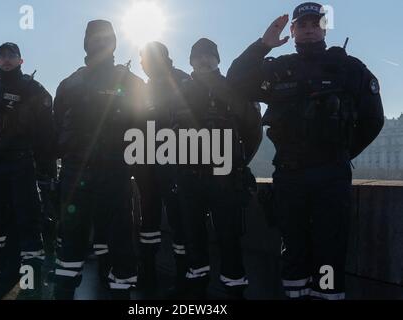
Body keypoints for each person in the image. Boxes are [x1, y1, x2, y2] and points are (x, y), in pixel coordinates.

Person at [227, 2, 384, 300]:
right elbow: (234, 81)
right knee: (293, 247)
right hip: (290, 175)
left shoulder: (348, 68)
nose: (310, 28)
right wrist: (262, 45)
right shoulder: (277, 69)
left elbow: (373, 118)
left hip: (331, 175)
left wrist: (341, 154)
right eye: (303, 24)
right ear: (293, 30)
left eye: (316, 23)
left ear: (324, 28)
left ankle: (326, 296)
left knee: (330, 250)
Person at [53, 20, 145, 300]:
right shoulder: (69, 83)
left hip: (116, 172)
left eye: (106, 38)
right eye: (94, 38)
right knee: (71, 239)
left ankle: (121, 293)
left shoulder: (131, 82)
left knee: (120, 240)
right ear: (86, 43)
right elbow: (56, 128)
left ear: (114, 43)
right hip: (75, 173)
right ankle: (64, 292)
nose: (100, 42)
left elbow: (144, 126)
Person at [174, 38, 262, 299]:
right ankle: (196, 295)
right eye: (198, 56)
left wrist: (237, 164)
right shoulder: (180, 92)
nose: (204, 60)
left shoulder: (233, 88)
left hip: (226, 179)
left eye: (209, 55)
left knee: (229, 240)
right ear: (191, 61)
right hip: (189, 179)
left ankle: (234, 292)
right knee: (194, 242)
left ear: (217, 60)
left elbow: (253, 131)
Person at [0, 42, 55, 299]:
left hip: (22, 163)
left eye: (12, 55)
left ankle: (30, 283)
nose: (7, 59)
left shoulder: (33, 88)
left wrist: (45, 166)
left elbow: (47, 129)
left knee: (28, 220)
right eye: (2, 55)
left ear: (21, 60)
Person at [135, 41, 190, 297]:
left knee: (180, 222)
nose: (146, 65)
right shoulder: (144, 89)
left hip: (176, 165)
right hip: (147, 167)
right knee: (148, 224)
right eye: (143, 60)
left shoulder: (182, 82)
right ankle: (147, 275)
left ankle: (183, 279)